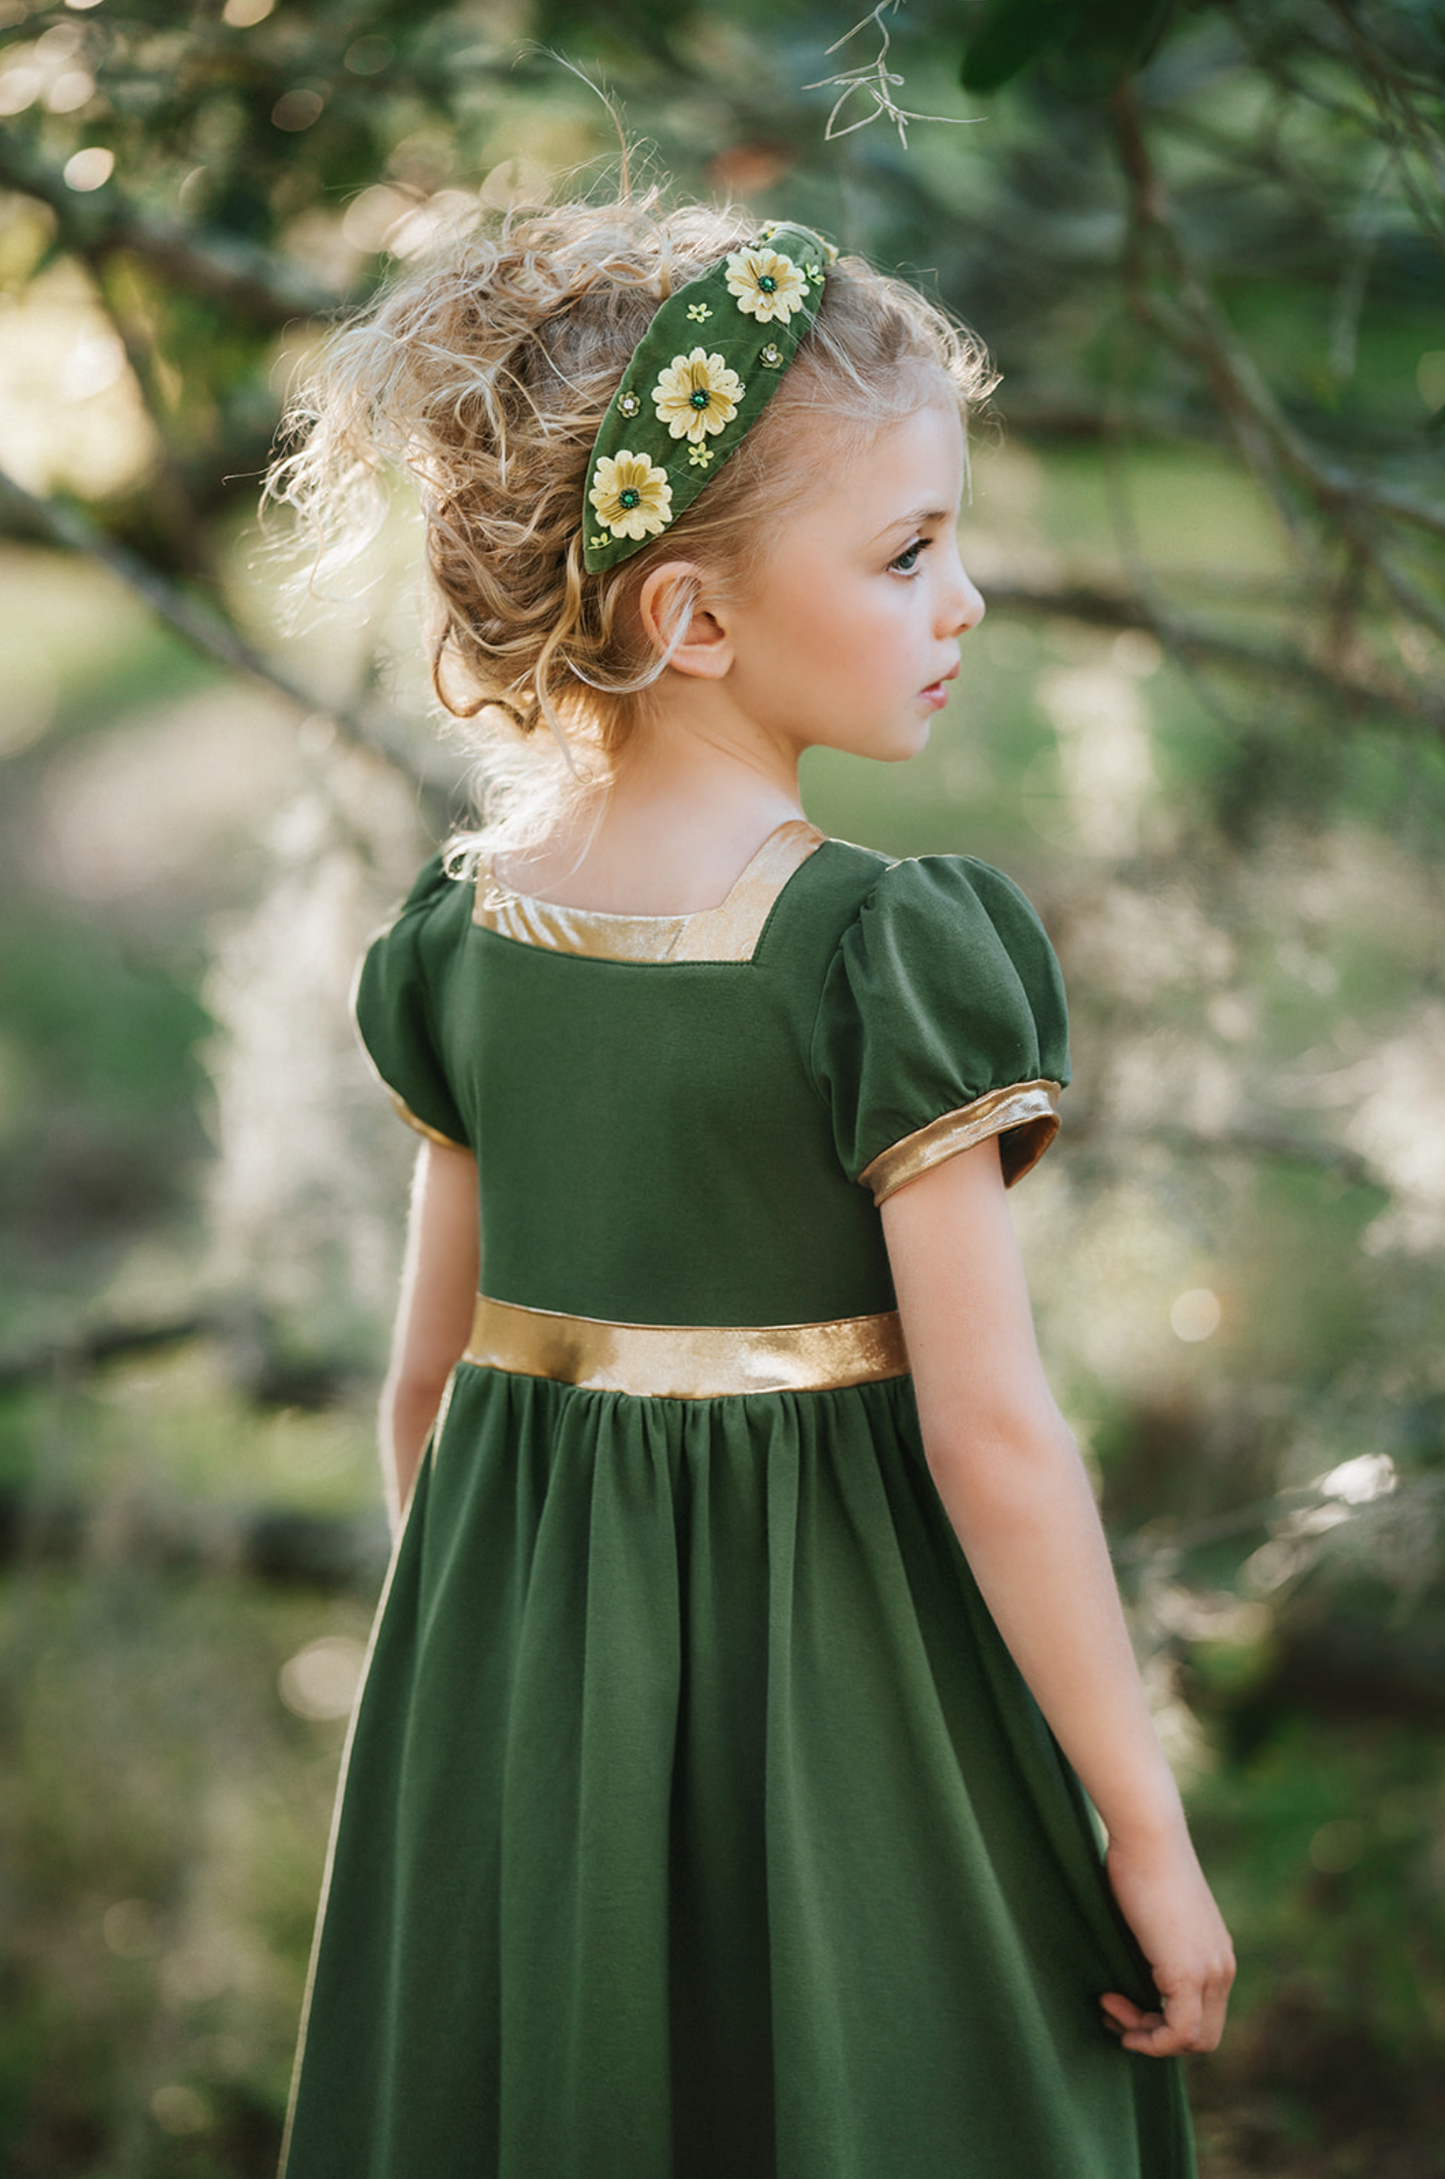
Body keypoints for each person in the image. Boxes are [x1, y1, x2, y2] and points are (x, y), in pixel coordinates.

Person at [271, 196, 1233, 2179]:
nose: (962, 601)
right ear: (689, 617)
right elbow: (989, 1440)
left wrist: (485, 1720)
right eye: (903, 553)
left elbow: (429, 1398)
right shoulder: (874, 956)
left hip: (532, 1718)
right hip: (853, 1714)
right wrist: (1140, 1825)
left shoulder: (462, 944)